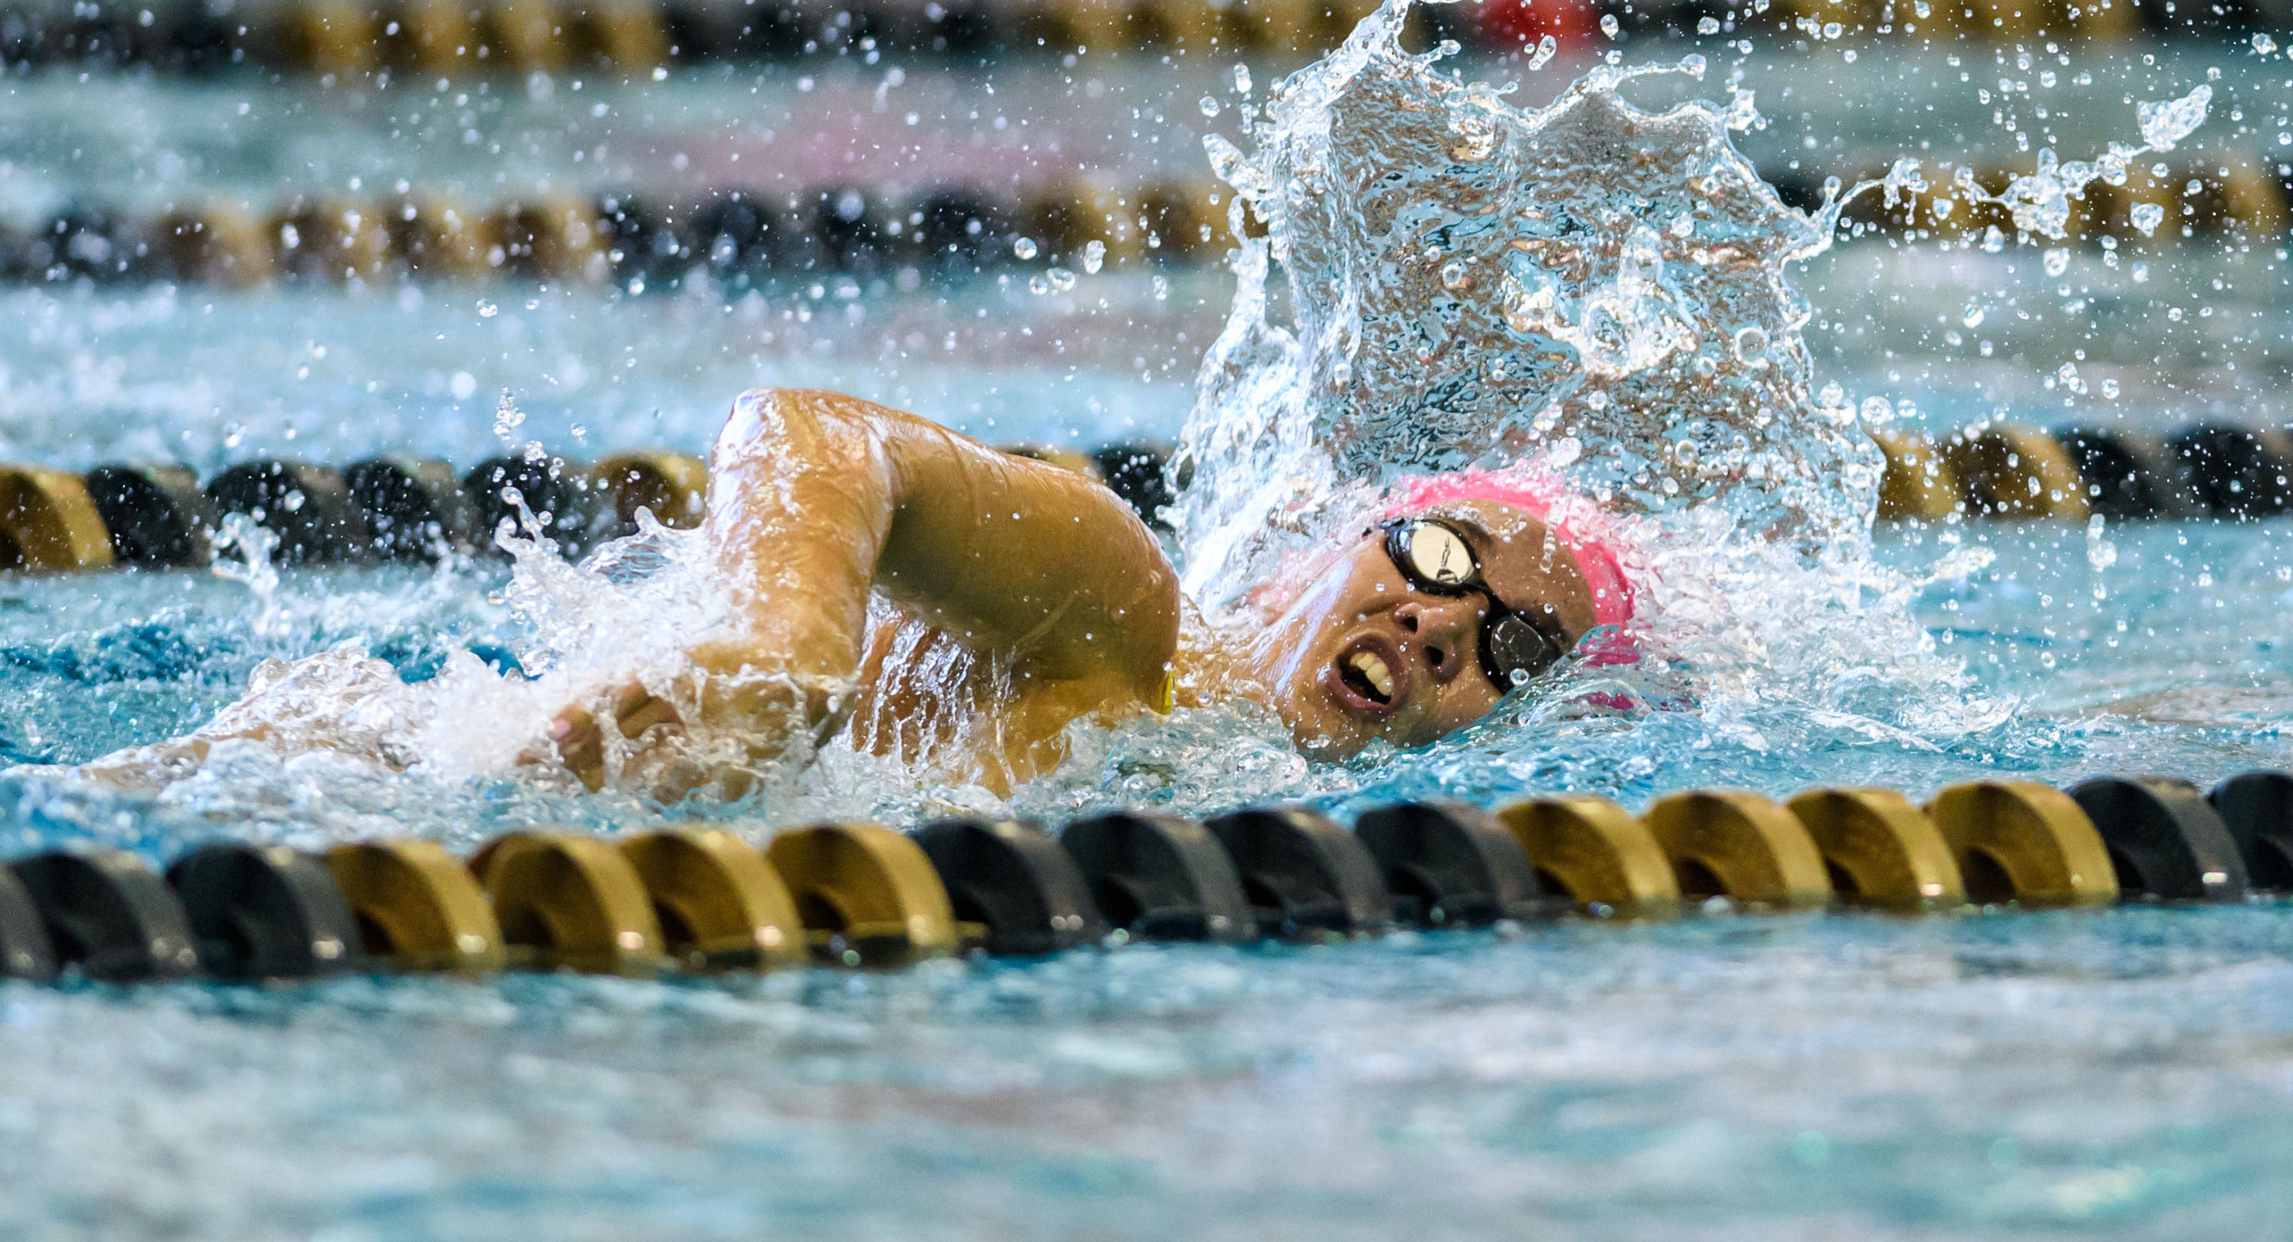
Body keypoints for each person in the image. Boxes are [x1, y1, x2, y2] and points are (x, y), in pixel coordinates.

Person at [546, 387, 1632, 795]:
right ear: (1306, 562)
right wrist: (789, 633)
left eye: (1516, 650)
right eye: (1439, 556)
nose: (1440, 621)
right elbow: (813, 432)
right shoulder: (1130, 618)